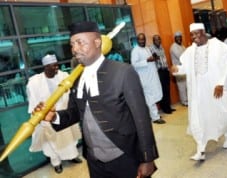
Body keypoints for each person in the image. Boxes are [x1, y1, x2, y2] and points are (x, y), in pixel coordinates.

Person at [34, 21, 158, 178]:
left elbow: (142, 118)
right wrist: (54, 116)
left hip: (125, 156)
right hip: (94, 160)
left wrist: (147, 159)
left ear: (97, 42)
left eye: (80, 42)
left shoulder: (123, 72)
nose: (75, 49)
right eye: (72, 44)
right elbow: (75, 112)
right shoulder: (76, 78)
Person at [171, 23, 227, 161]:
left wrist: (221, 83)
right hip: (198, 89)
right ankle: (200, 149)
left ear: (203, 32)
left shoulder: (217, 45)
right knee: (199, 115)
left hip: (215, 87)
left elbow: (226, 64)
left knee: (221, 112)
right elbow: (186, 68)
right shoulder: (190, 51)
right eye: (192, 34)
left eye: (197, 33)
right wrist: (177, 69)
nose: (195, 37)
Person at [26, 54, 82, 174]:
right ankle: (56, 163)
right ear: (46, 67)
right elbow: (34, 102)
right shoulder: (35, 82)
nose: (57, 68)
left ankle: (72, 156)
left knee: (69, 140)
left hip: (63, 115)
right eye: (53, 66)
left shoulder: (64, 76)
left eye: (57, 65)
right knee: (52, 143)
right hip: (48, 118)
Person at [131, 33, 166, 124]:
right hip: (145, 79)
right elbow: (134, 65)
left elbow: (150, 60)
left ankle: (154, 114)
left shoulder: (147, 48)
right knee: (150, 98)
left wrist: (154, 58)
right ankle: (155, 118)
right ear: (137, 40)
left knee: (154, 96)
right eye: (140, 39)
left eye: (143, 39)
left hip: (152, 77)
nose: (142, 41)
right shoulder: (135, 51)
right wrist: (147, 60)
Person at [150, 34, 176, 114]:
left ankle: (168, 106)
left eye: (159, 39)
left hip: (165, 70)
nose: (158, 41)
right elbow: (155, 58)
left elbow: (164, 59)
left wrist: (168, 69)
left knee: (167, 89)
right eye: (156, 40)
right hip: (159, 72)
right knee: (163, 90)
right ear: (153, 41)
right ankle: (165, 108)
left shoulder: (161, 47)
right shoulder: (151, 49)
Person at [170, 31, 188, 106]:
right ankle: (184, 101)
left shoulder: (182, 46)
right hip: (178, 70)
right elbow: (181, 57)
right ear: (175, 38)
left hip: (184, 69)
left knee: (186, 85)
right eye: (177, 38)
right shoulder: (174, 47)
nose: (179, 39)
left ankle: (187, 99)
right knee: (181, 86)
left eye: (180, 37)